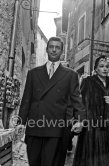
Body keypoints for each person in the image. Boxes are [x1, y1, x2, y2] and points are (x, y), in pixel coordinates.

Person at [17, 37, 86, 166]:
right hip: (34, 126)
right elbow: (26, 99)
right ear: (47, 49)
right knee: (33, 162)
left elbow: (77, 99)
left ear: (62, 51)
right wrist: (21, 122)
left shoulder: (70, 75)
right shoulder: (33, 73)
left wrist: (80, 120)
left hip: (57, 128)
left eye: (57, 47)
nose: (54, 50)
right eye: (51, 47)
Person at [72, 56, 109, 166]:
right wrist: (79, 120)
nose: (105, 69)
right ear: (96, 68)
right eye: (101, 66)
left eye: (107, 67)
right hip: (91, 129)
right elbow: (80, 103)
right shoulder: (88, 82)